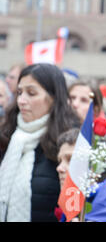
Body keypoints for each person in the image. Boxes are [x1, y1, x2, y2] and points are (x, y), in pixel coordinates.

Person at [0, 63, 80, 221]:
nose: (22, 101)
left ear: (54, 97)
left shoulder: (69, 144)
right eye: (19, 92)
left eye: (31, 93)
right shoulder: (7, 135)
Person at [69, 80, 106, 160]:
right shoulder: (52, 131)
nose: (75, 104)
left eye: (84, 100)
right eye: (72, 98)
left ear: (96, 109)